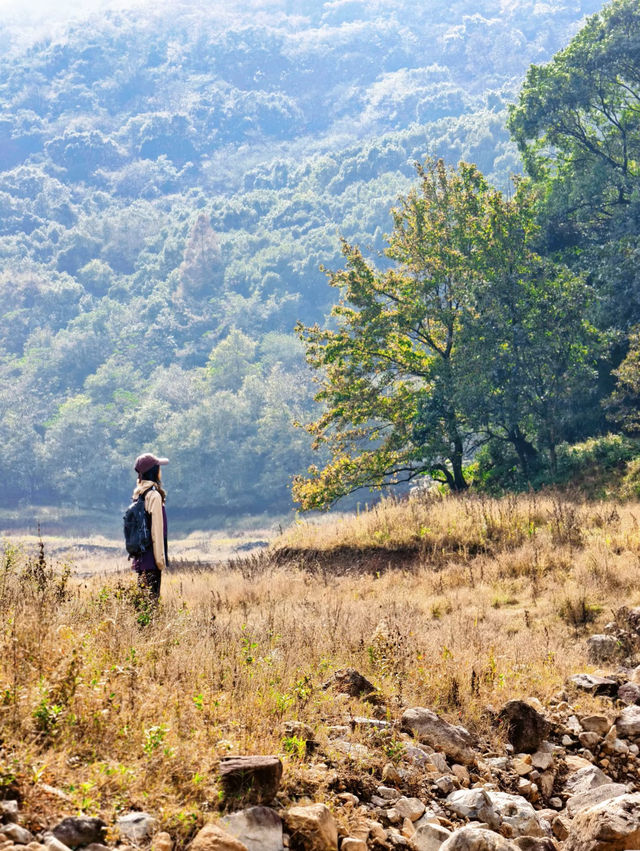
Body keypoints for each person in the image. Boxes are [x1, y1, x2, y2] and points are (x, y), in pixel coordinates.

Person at [131, 452, 169, 600]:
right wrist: (160, 561)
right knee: (151, 602)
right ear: (154, 472)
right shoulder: (154, 496)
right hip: (152, 559)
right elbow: (157, 532)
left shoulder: (139, 494)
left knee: (142, 602)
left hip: (140, 557)